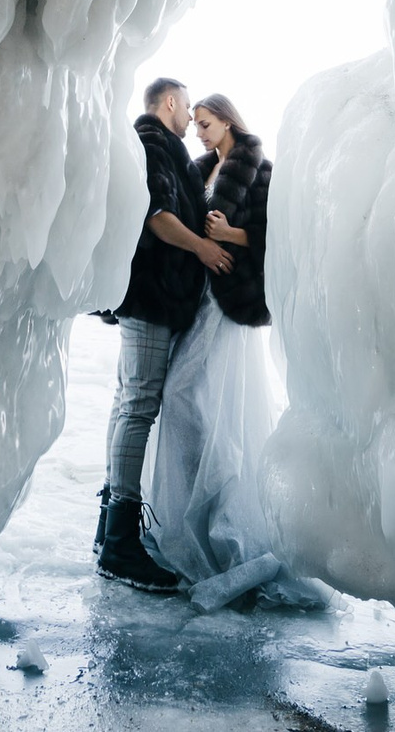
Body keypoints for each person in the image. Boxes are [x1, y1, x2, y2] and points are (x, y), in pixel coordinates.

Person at [143, 92, 305, 605]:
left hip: (230, 306)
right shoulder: (199, 170)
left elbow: (281, 234)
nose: (198, 132)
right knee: (189, 401)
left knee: (214, 405)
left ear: (228, 121)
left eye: (205, 123)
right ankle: (198, 514)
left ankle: (230, 530)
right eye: (194, 125)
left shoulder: (260, 170)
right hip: (199, 302)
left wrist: (231, 233)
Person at [96, 76, 235, 591]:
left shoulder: (152, 146)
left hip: (148, 297)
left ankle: (109, 526)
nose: (189, 125)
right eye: (188, 113)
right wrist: (202, 249)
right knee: (138, 405)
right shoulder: (155, 141)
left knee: (128, 402)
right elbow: (157, 215)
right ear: (171, 102)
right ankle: (119, 544)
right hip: (151, 298)